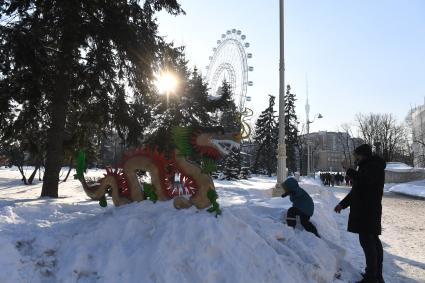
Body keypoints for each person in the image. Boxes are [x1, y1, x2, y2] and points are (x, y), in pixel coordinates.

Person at [334, 144, 386, 283]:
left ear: (363, 154)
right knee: (372, 242)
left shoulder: (373, 166)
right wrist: (342, 204)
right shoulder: (366, 166)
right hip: (366, 211)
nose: (355, 158)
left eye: (356, 155)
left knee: (369, 243)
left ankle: (372, 277)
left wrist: (348, 169)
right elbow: (356, 190)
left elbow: (365, 181)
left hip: (368, 211)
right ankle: (375, 275)